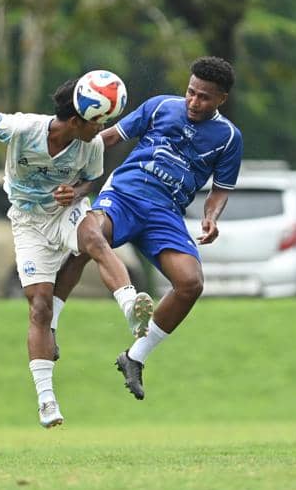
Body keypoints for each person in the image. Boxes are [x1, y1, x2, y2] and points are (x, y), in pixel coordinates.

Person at [0, 78, 155, 428]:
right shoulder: (24, 128)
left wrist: (74, 193)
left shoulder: (92, 146)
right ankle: (46, 399)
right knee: (39, 307)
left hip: (63, 214)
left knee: (95, 240)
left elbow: (91, 181)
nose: (101, 129)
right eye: (96, 122)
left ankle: (131, 306)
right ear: (75, 120)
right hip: (27, 222)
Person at [51, 56, 243, 400]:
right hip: (124, 195)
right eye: (191, 92)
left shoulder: (229, 138)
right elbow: (108, 138)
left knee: (190, 283)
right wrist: (65, 153)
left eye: (204, 97)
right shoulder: (161, 106)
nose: (194, 102)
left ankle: (135, 356)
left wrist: (211, 216)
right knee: (87, 239)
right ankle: (49, 324)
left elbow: (220, 189)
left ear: (221, 100)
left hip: (165, 214)